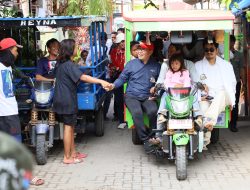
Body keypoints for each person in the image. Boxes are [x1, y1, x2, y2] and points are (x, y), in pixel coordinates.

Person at [53, 39, 110, 164]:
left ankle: (73, 153)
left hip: (63, 98)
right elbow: (83, 77)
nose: (77, 49)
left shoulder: (62, 63)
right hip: (66, 100)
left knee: (71, 127)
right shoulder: (68, 65)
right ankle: (67, 157)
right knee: (68, 128)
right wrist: (101, 81)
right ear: (70, 50)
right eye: (75, 47)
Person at [0, 37, 44, 186]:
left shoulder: (8, 67)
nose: (17, 53)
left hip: (9, 112)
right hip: (6, 114)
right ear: (7, 52)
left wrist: (26, 79)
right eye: (15, 50)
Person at [108, 41, 161, 153]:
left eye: (143, 49)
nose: (140, 52)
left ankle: (152, 137)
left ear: (150, 52)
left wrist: (156, 91)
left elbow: (160, 82)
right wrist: (113, 85)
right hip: (131, 96)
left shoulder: (156, 66)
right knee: (137, 113)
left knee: (153, 111)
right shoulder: (131, 64)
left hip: (147, 96)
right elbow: (122, 78)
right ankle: (145, 140)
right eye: (139, 49)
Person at [195, 37, 236, 147]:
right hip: (206, 97)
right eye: (206, 50)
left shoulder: (226, 65)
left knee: (221, 94)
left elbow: (232, 84)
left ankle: (209, 121)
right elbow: (194, 84)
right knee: (202, 108)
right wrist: (199, 95)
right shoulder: (197, 65)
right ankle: (204, 141)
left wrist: (233, 100)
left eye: (211, 49)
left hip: (224, 96)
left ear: (217, 50)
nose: (209, 52)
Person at [150, 53, 191, 144]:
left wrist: (181, 86)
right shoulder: (169, 72)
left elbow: (188, 84)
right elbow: (166, 84)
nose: (174, 66)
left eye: (176, 63)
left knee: (193, 99)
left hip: (183, 95)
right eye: (172, 63)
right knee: (164, 95)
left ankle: (197, 117)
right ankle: (161, 117)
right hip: (170, 94)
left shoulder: (185, 72)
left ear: (181, 63)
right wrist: (175, 86)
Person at [109, 33, 127, 128]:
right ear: (118, 43)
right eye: (121, 42)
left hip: (128, 79)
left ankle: (127, 118)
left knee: (127, 99)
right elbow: (113, 64)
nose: (123, 43)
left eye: (124, 41)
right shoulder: (114, 52)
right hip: (117, 78)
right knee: (119, 99)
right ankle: (121, 119)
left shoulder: (129, 51)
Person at [229, 35, 244, 132]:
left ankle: (233, 124)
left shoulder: (239, 55)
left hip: (236, 82)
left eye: (230, 42)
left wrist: (243, 83)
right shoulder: (223, 54)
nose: (229, 44)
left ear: (233, 43)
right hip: (225, 82)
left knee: (234, 103)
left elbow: (241, 68)